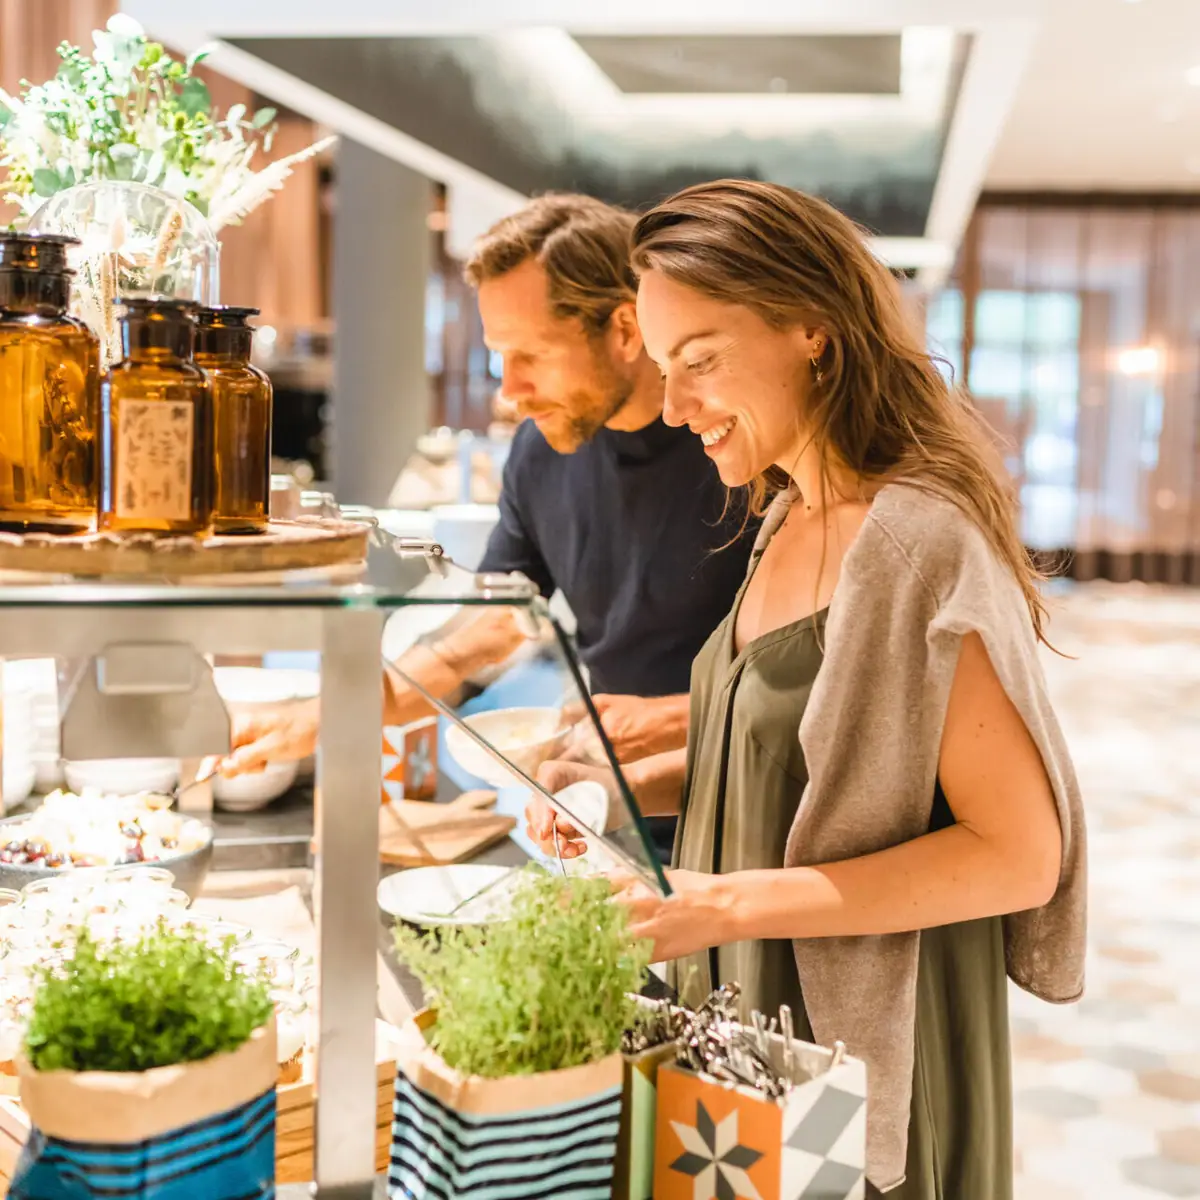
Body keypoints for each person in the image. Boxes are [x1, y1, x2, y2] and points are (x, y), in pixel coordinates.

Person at [527, 180, 1086, 1199]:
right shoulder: (789, 512)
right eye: (663, 368)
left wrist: (729, 904)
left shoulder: (916, 543)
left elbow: (1020, 856)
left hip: (868, 1056)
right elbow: (788, 769)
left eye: (700, 359)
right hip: (757, 1035)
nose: (679, 403)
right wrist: (611, 796)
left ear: (811, 329)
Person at [222, 194, 757, 859]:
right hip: (610, 816)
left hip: (751, 820)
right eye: (499, 357)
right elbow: (489, 626)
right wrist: (326, 713)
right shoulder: (540, 453)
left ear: (625, 331)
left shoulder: (739, 450)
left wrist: (675, 718)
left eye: (530, 356)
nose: (509, 390)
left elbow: (820, 683)